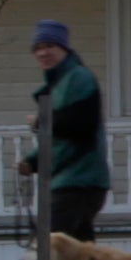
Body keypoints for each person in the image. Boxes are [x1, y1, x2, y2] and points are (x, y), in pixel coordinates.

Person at [23, 20, 108, 244]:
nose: (43, 53)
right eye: (38, 48)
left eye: (50, 46)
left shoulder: (78, 78)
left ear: (64, 49)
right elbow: (60, 140)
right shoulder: (59, 83)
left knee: (53, 253)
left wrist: (41, 121)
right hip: (73, 181)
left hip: (79, 180)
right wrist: (32, 162)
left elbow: (81, 125)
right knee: (81, 255)